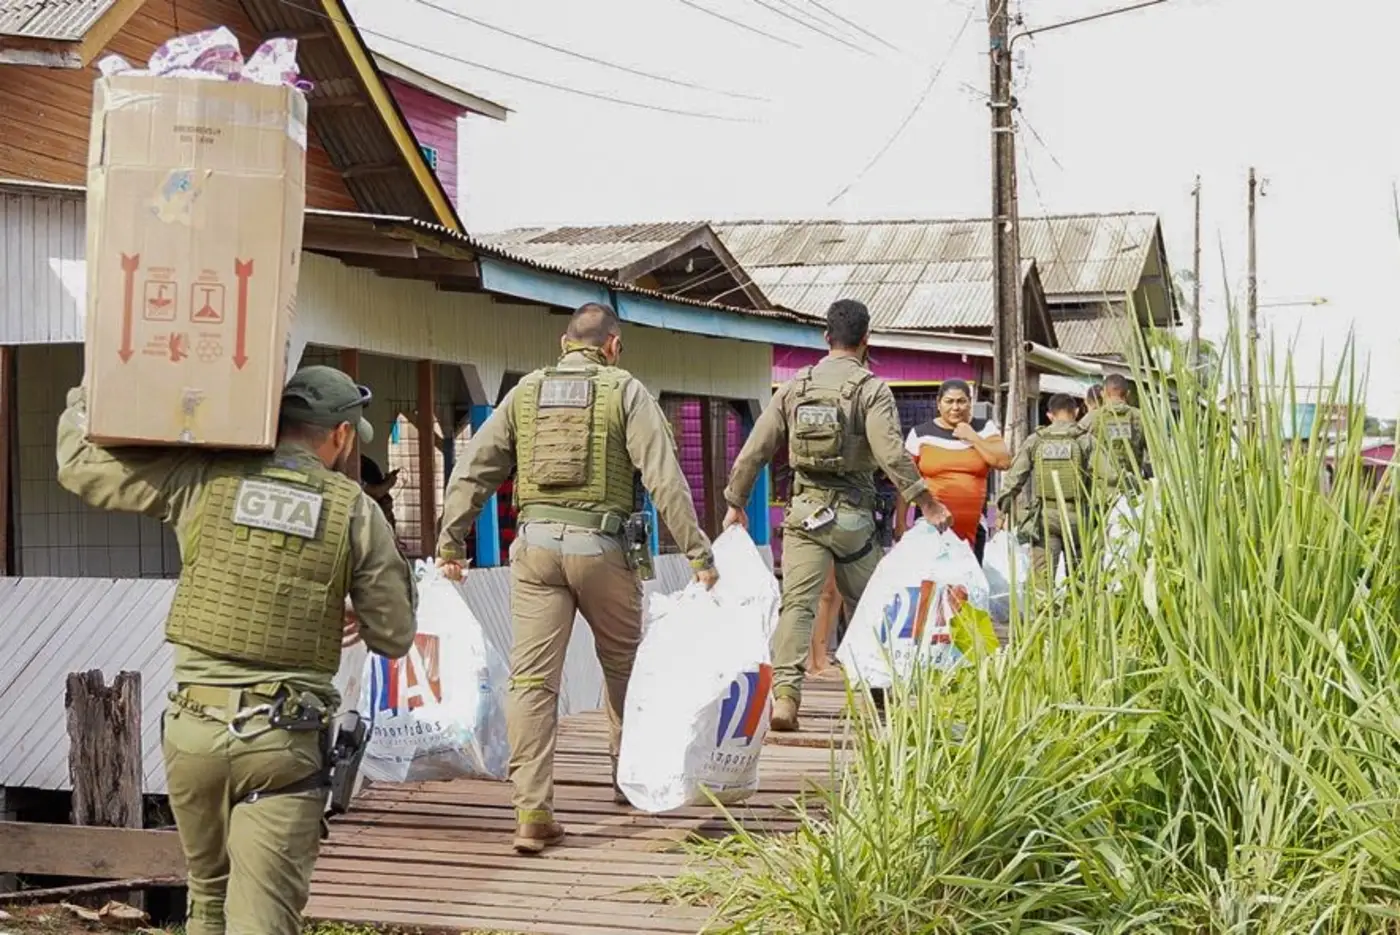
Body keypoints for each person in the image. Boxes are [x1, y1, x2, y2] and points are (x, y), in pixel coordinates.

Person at [54, 366, 417, 935]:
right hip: (282, 742)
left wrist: (97, 378)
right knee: (261, 919)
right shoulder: (353, 509)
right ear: (342, 435)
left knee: (207, 899)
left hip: (194, 735)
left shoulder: (205, 478)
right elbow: (393, 634)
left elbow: (80, 466)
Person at [434, 302, 718, 856]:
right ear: (613, 346)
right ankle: (628, 781)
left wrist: (451, 543)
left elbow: (473, 469)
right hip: (603, 548)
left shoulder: (526, 392)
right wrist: (699, 555)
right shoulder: (626, 391)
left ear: (564, 344)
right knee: (625, 668)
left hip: (535, 550)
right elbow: (665, 478)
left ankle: (532, 812)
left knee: (532, 683)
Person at [721, 299, 951, 732]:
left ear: (826, 337)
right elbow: (890, 453)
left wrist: (736, 502)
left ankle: (786, 698)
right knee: (868, 607)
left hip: (805, 514)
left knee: (797, 605)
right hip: (854, 518)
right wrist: (926, 501)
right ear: (866, 339)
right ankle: (880, 695)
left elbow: (756, 449)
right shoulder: (871, 389)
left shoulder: (795, 387)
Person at [895, 379, 1011, 561]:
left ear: (970, 403)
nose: (955, 407)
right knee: (932, 578)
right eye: (949, 401)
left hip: (973, 529)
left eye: (961, 401)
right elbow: (906, 481)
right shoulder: (920, 434)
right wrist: (900, 523)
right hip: (930, 527)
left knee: (969, 579)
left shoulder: (985, 429)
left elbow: (1003, 462)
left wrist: (972, 437)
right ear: (938, 403)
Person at [997, 393, 1104, 584]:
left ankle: (1043, 604)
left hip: (1045, 518)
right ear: (1076, 412)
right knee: (1083, 581)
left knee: (1041, 581)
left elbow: (1014, 479)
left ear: (1049, 415)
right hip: (1079, 518)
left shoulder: (1036, 440)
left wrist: (1000, 511)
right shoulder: (1086, 440)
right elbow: (1109, 477)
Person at [1079, 373, 1148, 494]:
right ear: (1127, 394)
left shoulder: (1090, 419)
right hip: (1132, 488)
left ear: (1103, 393)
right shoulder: (1142, 418)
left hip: (1101, 493)